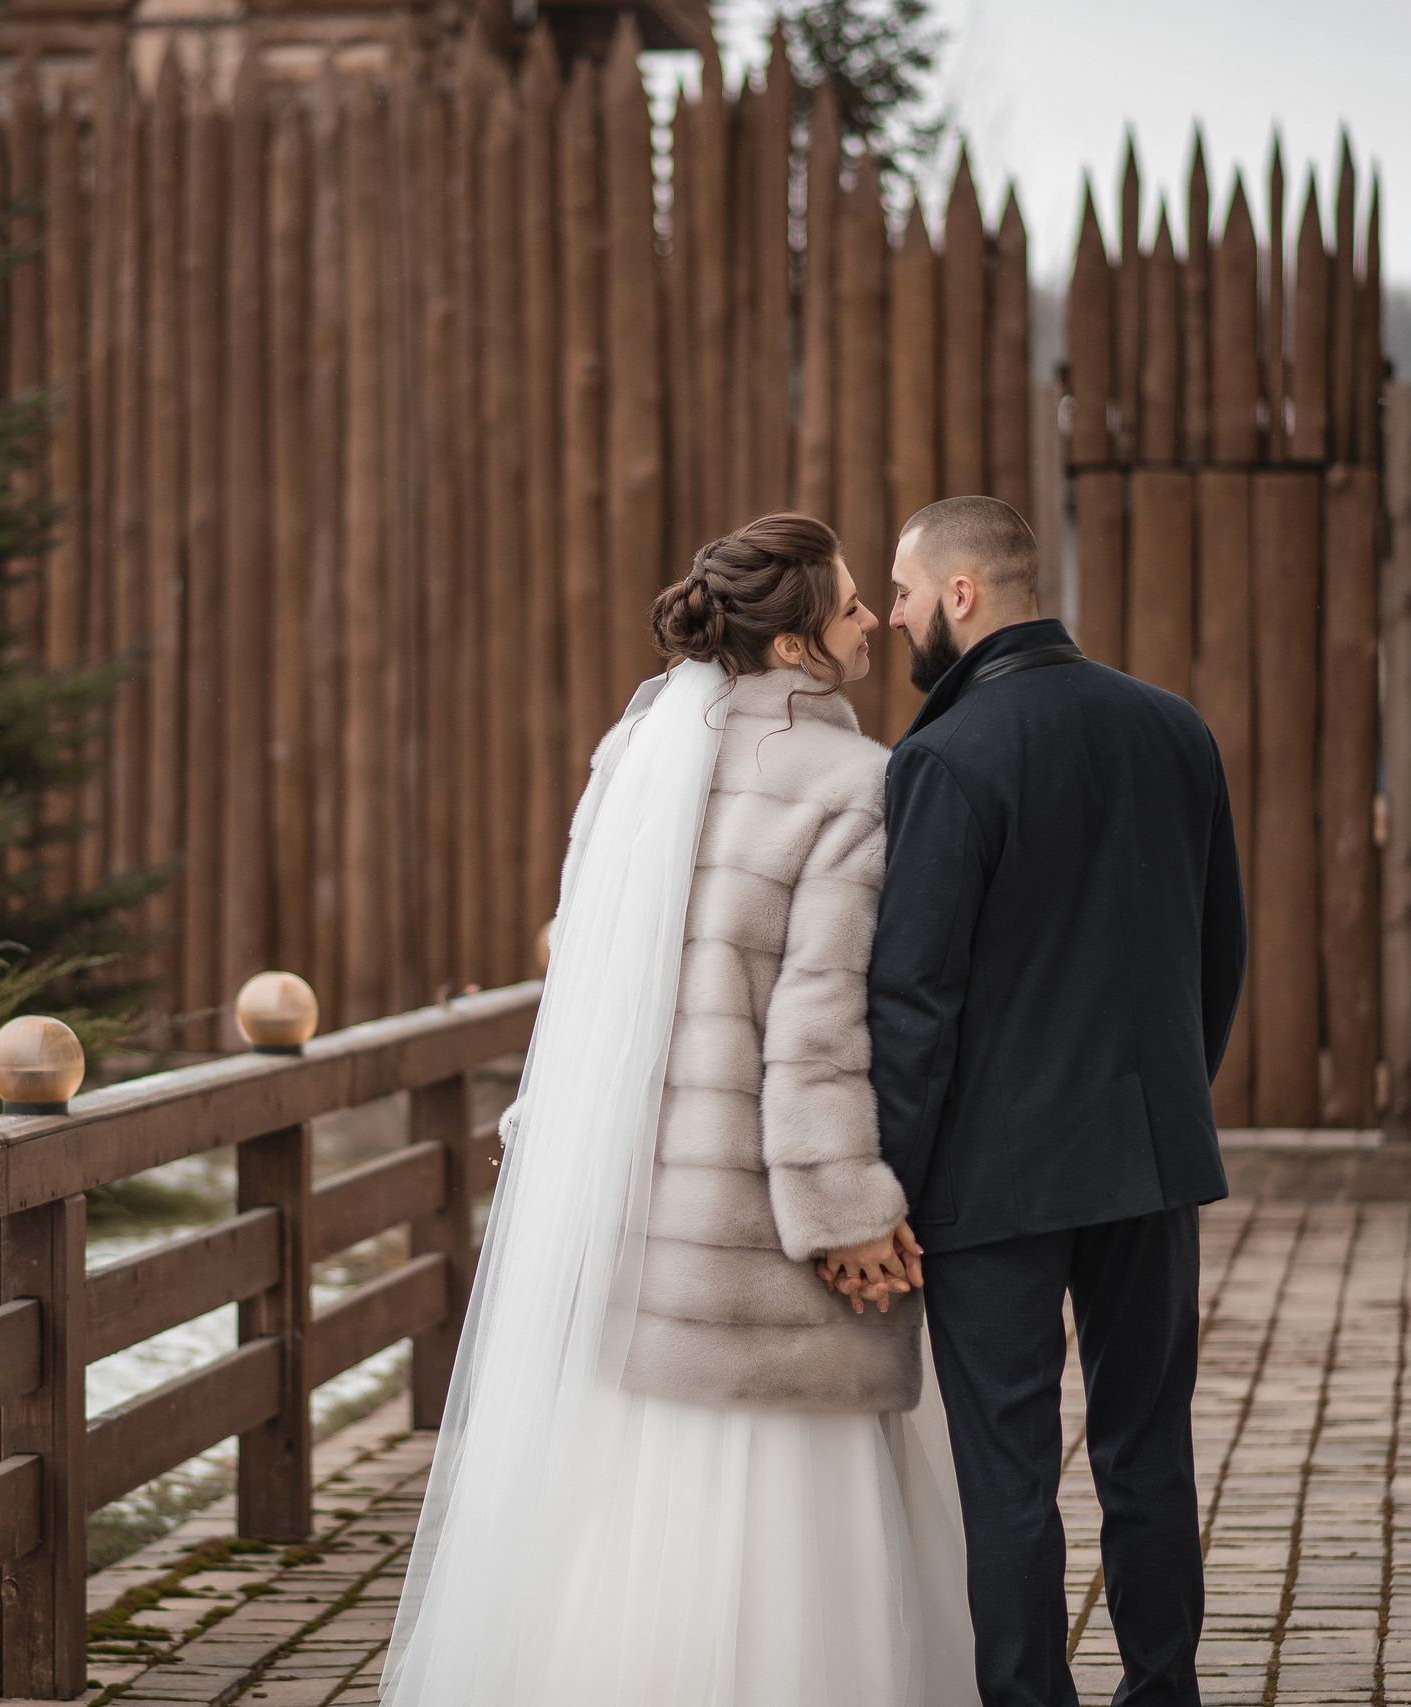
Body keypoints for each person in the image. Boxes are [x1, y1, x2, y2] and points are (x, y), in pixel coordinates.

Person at [384, 513, 976, 1707]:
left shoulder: (633, 759)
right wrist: (845, 1215)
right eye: (851, 606)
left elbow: (585, 979)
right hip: (761, 1239)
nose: (874, 620)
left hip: (641, 1215)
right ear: (799, 645)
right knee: (789, 1541)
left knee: (643, 1520)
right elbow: (815, 1031)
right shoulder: (855, 784)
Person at [855, 494, 1247, 1707]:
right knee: (1148, 1450)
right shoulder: (1173, 728)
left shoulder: (943, 757)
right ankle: (1163, 1691)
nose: (896, 617)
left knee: (1007, 1474)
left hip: (992, 1185)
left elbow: (913, 1000)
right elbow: (1218, 953)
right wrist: (1165, 1105)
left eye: (904, 593)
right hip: (1148, 1162)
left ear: (961, 594)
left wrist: (886, 1184)